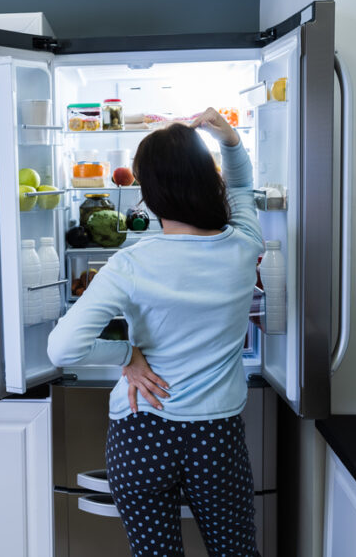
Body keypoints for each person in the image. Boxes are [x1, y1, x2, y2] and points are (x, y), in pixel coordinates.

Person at [48, 107, 263, 556]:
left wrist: (128, 356)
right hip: (215, 436)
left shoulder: (130, 264)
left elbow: (62, 347)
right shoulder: (244, 246)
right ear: (210, 181)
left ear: (149, 194)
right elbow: (242, 187)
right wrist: (231, 142)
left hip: (142, 431)